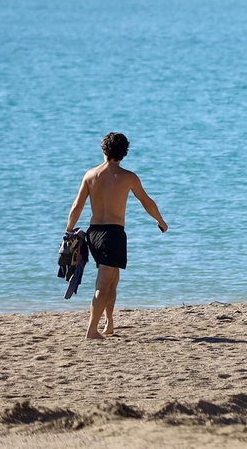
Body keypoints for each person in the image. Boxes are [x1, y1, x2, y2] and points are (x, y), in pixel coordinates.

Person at [64, 132, 167, 339]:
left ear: (104, 150)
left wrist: (69, 230)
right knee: (104, 283)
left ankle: (109, 323)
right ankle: (91, 330)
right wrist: (161, 221)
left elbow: (77, 205)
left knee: (112, 279)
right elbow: (146, 201)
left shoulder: (90, 175)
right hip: (113, 234)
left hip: (94, 233)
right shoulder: (128, 177)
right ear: (124, 153)